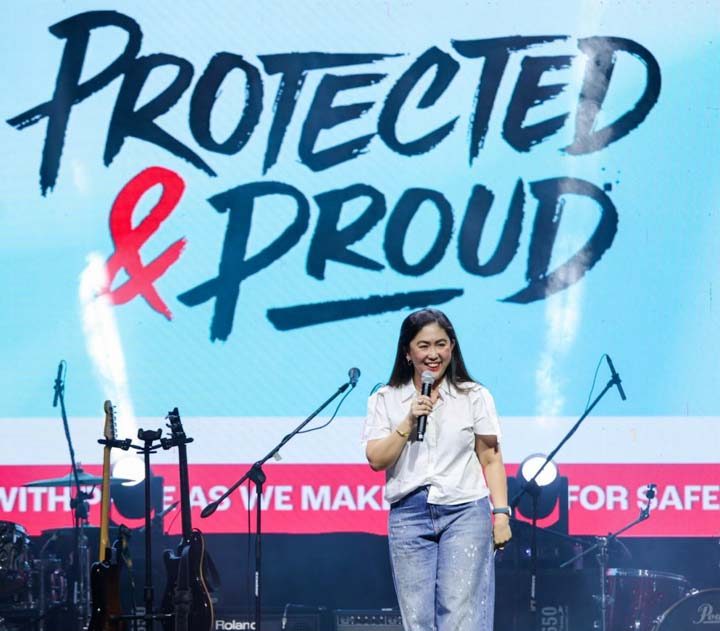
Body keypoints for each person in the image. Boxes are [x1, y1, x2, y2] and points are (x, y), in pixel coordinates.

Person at [362, 308, 511, 631]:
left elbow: (491, 458)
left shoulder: (474, 396)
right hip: (408, 513)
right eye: (424, 345)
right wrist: (408, 420)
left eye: (441, 344)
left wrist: (501, 514)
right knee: (417, 619)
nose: (433, 354)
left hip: (464, 510)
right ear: (407, 352)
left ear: (452, 347)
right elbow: (376, 459)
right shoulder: (385, 399)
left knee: (461, 615)